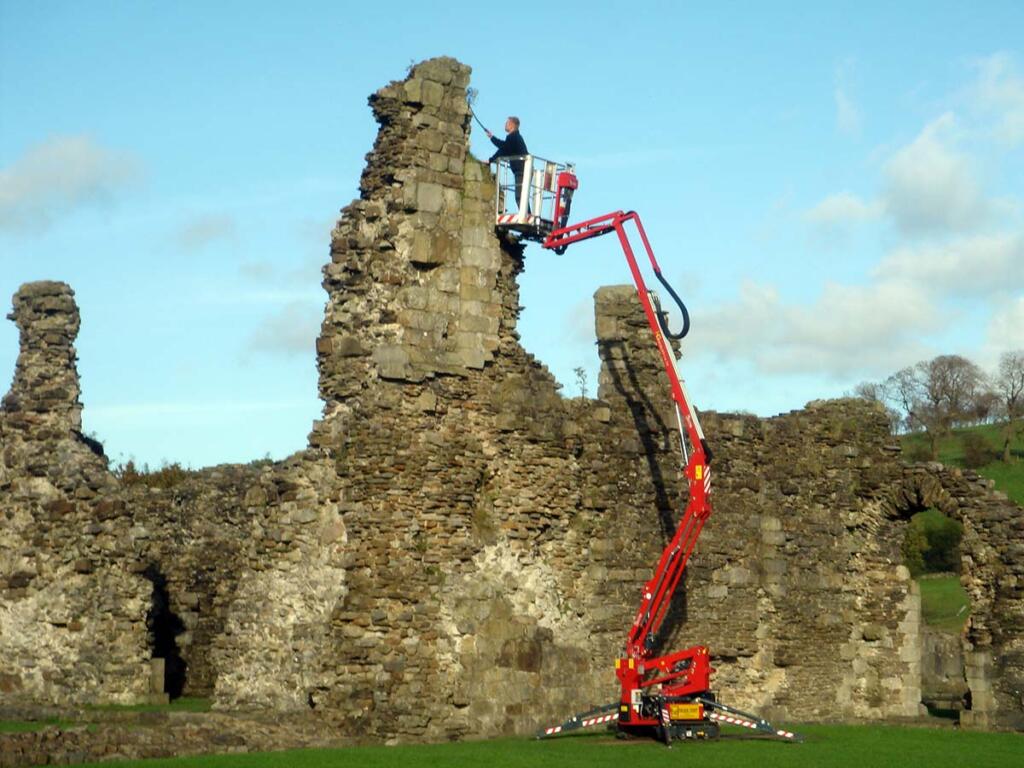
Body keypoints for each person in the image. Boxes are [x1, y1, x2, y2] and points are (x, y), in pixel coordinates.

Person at [487, 117, 528, 210]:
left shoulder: (513, 137)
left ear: (512, 124)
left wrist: (491, 160)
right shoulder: (514, 137)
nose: (505, 124)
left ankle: (527, 216)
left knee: (520, 197)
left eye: (507, 122)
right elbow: (504, 147)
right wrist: (492, 137)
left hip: (522, 170)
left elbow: (504, 149)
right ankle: (527, 215)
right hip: (522, 169)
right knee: (521, 197)